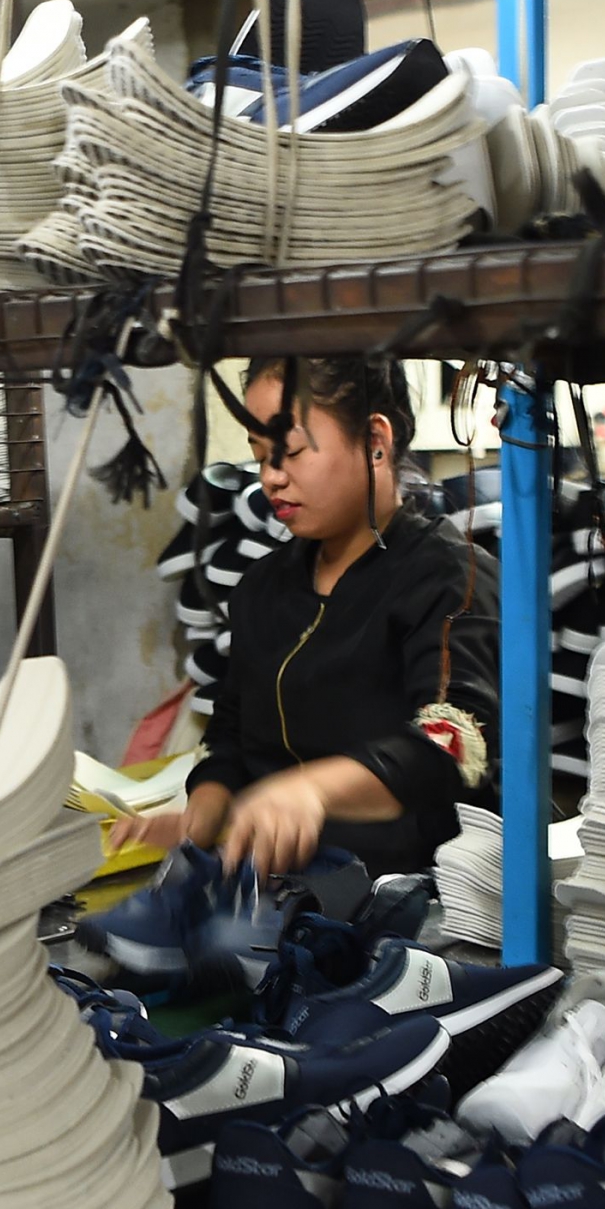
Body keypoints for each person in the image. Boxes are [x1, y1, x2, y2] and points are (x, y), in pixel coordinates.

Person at [116, 356, 499, 879]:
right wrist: (204, 812)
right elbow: (232, 730)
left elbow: (455, 743)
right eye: (260, 455)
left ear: (374, 440)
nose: (271, 478)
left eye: (291, 451)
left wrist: (311, 790)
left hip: (414, 893)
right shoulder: (264, 587)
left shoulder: (450, 579)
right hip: (280, 888)